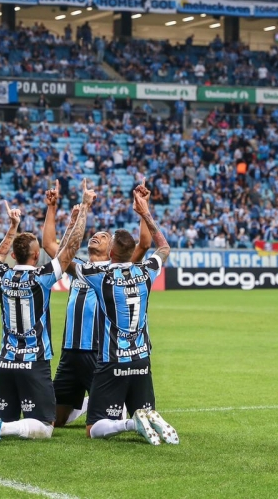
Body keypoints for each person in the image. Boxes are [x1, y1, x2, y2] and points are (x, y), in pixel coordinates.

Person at [0, 180, 93, 447]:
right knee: (45, 427)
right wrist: (83, 210)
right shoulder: (42, 277)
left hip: (5, 363)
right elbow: (70, 250)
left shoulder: (1, 274)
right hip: (34, 362)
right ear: (36, 256)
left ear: (13, 254)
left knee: (8, 417)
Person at [41, 180, 152, 428]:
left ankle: (103, 404)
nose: (96, 236)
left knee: (109, 419)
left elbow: (144, 244)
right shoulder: (80, 268)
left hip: (100, 352)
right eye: (94, 235)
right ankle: (84, 404)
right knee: (55, 420)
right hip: (71, 352)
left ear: (112, 249)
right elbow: (49, 245)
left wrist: (145, 209)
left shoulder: (116, 270)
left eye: (103, 236)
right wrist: (52, 208)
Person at [76, 186, 179, 446]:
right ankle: (147, 418)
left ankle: (131, 423)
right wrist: (145, 213)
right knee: (143, 408)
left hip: (113, 361)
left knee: (93, 428)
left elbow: (64, 258)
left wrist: (83, 210)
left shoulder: (100, 276)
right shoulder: (146, 271)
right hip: (142, 359)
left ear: (110, 254)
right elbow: (164, 247)